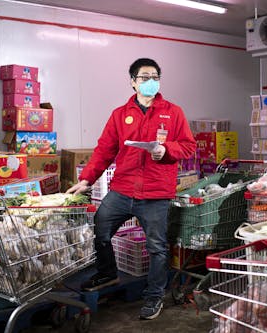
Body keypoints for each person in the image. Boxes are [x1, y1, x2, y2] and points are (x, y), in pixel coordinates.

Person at [67, 58, 196, 320]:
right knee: (101, 229)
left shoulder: (173, 112)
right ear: (133, 82)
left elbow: (188, 146)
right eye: (144, 77)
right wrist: (87, 180)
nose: (151, 82)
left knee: (157, 248)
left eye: (155, 77)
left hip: (156, 193)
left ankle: (154, 296)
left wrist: (165, 149)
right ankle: (107, 273)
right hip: (123, 189)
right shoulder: (119, 114)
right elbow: (104, 150)